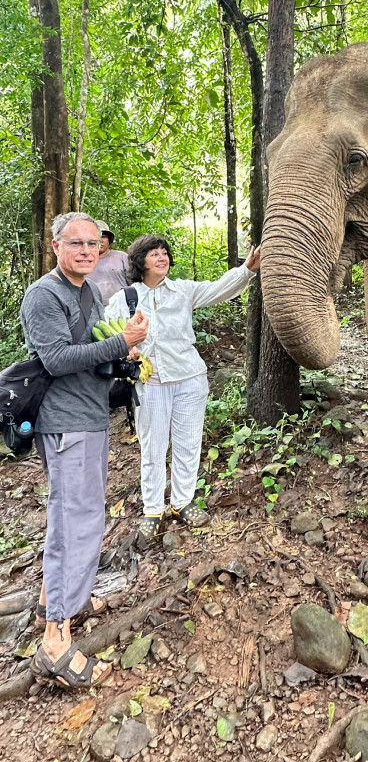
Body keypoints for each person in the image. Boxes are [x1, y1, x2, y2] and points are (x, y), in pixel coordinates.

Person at [20, 212, 148, 690]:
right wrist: (121, 340)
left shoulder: (89, 292)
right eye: (76, 243)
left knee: (77, 515)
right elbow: (54, 358)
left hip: (91, 418)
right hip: (65, 424)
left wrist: (122, 354)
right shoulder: (44, 295)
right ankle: (56, 642)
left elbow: (90, 352)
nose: (87, 251)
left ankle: (62, 600)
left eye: (93, 243)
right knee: (77, 521)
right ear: (56, 246)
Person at [105, 235, 260, 546]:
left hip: (190, 379)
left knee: (188, 445)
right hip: (151, 384)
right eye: (154, 254)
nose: (162, 258)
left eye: (165, 253)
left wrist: (247, 270)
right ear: (140, 262)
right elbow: (110, 334)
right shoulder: (126, 298)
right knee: (153, 448)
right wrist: (126, 349)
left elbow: (218, 289)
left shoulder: (182, 291)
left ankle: (182, 501)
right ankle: (152, 510)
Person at [88, 220, 129, 305]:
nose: (100, 240)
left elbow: (135, 284)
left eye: (103, 236)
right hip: (92, 309)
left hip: (122, 307)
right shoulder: (83, 261)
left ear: (109, 240)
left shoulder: (122, 257)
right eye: (96, 236)